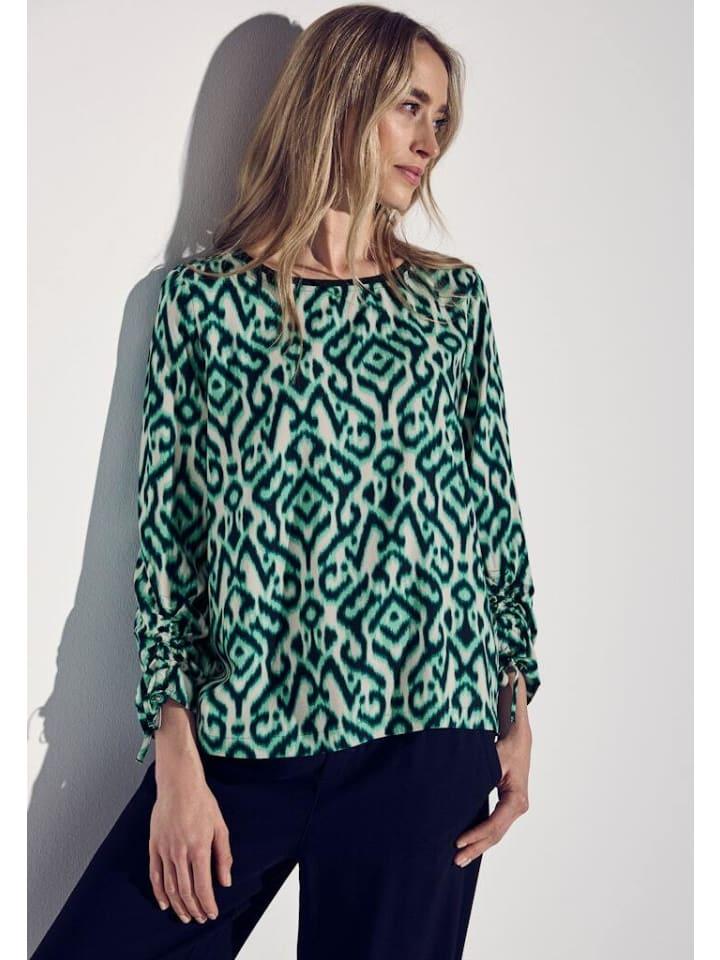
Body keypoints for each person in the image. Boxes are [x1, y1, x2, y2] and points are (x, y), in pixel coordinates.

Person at [31, 5, 541, 958]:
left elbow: (491, 514)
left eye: (441, 119)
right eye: (410, 107)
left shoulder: (450, 303)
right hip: (244, 736)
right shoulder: (204, 305)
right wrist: (177, 761)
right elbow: (170, 540)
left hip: (426, 733)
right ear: (339, 101)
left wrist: (515, 709)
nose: (430, 140)